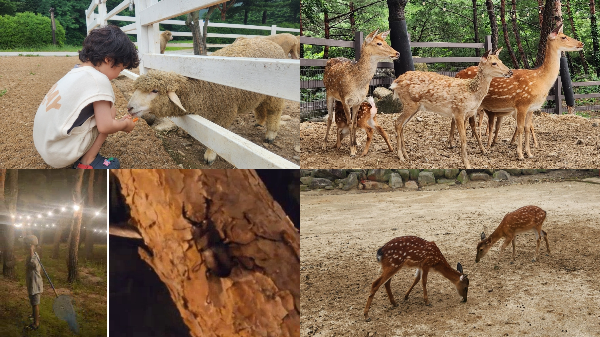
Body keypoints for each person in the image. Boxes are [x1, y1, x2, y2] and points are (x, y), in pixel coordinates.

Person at [33, 25, 139, 169]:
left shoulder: (76, 71)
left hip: (45, 145)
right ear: (109, 60)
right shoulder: (99, 80)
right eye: (120, 69)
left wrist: (116, 122)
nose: (118, 74)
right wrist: (125, 124)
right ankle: (88, 161)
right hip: (59, 153)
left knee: (105, 112)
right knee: (111, 111)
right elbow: (105, 126)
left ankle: (84, 149)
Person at [23, 235, 43, 331]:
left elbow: (33, 264)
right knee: (33, 301)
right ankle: (33, 315)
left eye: (26, 244)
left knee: (35, 304)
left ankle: (36, 323)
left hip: (35, 285)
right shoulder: (31, 255)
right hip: (32, 284)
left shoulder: (34, 256)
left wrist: (31, 250)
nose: (24, 246)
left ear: (30, 245)